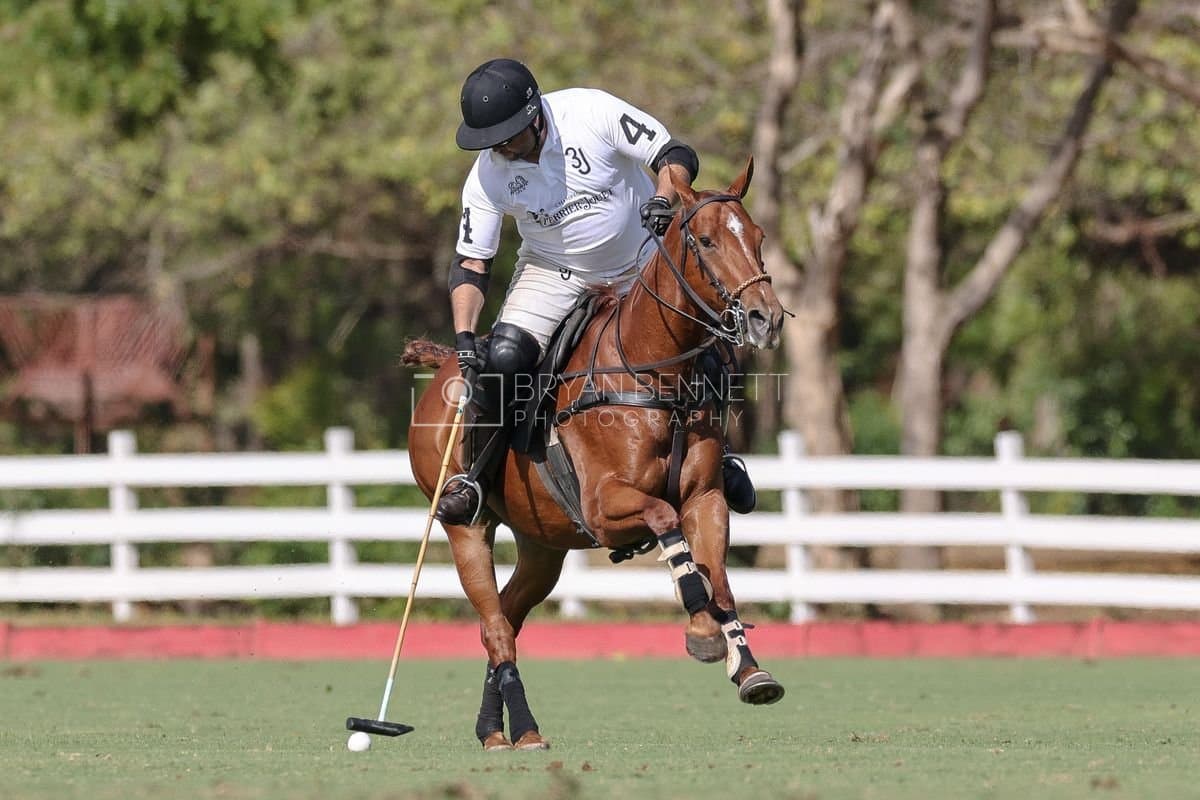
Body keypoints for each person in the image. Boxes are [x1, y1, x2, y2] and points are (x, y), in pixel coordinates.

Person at [436, 57, 755, 526]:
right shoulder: (487, 175)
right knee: (502, 359)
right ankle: (475, 479)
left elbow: (673, 153)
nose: (502, 149)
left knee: (707, 343)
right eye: (492, 142)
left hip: (641, 263)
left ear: (535, 116)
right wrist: (464, 335)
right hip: (551, 271)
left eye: (509, 137)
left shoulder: (589, 113)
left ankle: (719, 455)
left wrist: (663, 201)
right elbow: (472, 262)